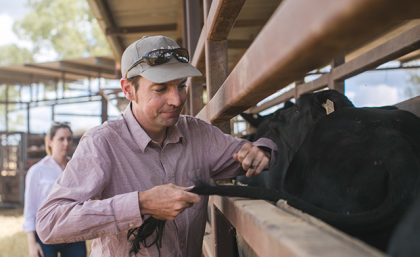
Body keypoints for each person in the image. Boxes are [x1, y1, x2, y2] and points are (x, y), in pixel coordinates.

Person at [36, 35, 278, 257]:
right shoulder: (101, 143)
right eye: (160, 89)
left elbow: (250, 153)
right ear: (128, 90)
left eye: (181, 85)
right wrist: (140, 204)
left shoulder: (198, 134)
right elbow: (50, 223)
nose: (176, 100)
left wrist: (262, 151)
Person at [23, 122, 87, 257]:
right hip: (45, 234)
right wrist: (31, 243)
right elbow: (30, 210)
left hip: (74, 233)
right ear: (50, 142)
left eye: (69, 139)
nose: (66, 143)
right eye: (61, 139)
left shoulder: (77, 169)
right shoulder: (37, 171)